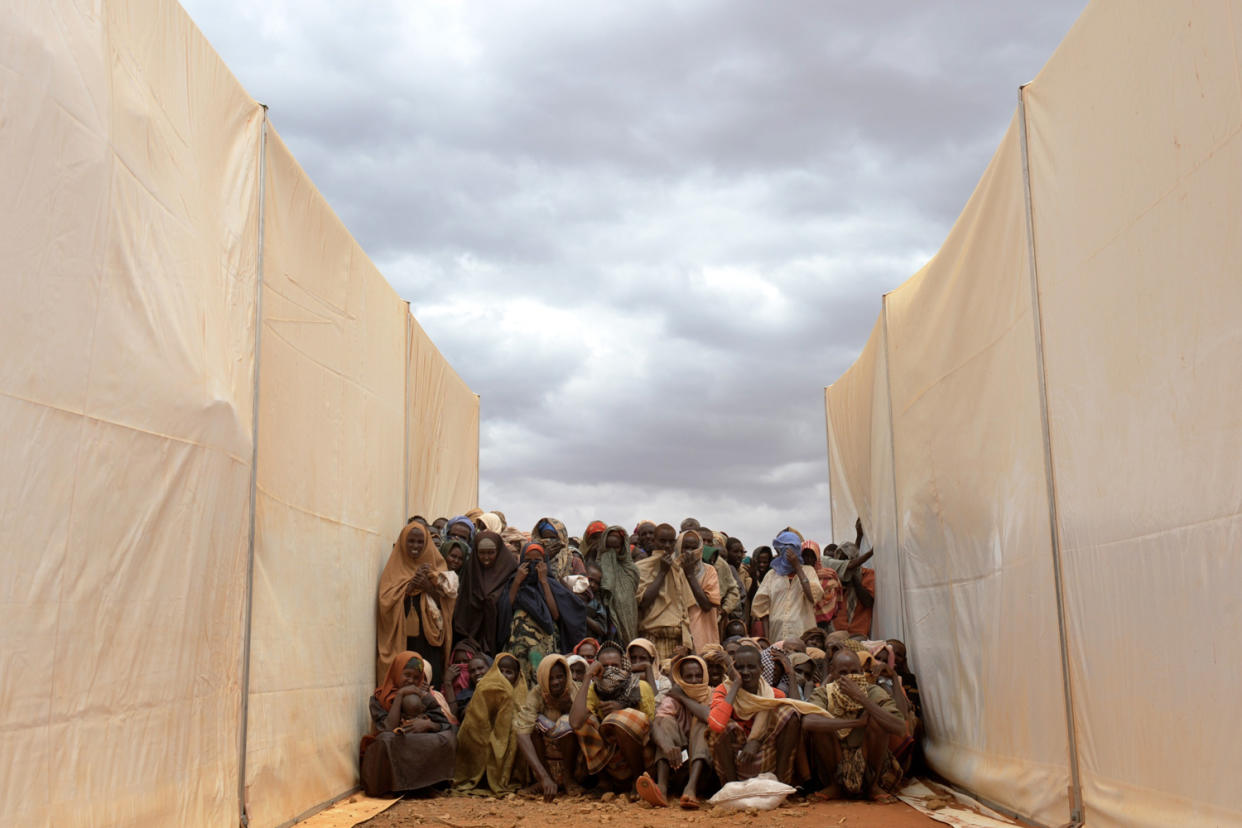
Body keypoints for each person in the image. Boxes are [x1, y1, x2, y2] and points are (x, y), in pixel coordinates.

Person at [804, 649, 908, 802]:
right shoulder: (823, 693)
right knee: (821, 723)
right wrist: (856, 723)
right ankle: (835, 786)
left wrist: (860, 698)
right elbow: (808, 722)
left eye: (854, 672)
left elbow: (899, 727)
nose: (849, 677)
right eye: (843, 673)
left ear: (861, 672)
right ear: (832, 673)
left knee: (878, 720)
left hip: (868, 758)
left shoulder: (873, 691)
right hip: (834, 761)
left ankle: (873, 786)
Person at [706, 644, 806, 785]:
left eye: (751, 667)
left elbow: (798, 712)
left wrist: (756, 740)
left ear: (762, 669)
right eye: (740, 668)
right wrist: (736, 684)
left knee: (789, 713)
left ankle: (780, 783)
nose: (745, 672)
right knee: (721, 726)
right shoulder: (723, 690)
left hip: (765, 758)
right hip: (734, 762)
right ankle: (732, 787)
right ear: (733, 670)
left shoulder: (772, 694)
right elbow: (716, 725)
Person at [360, 652, 457, 796]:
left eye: (416, 677)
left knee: (449, 737)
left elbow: (445, 725)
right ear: (396, 672)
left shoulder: (425, 697)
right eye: (407, 675)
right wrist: (400, 696)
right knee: (384, 740)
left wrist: (427, 725)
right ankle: (397, 787)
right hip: (398, 739)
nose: (411, 680)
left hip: (420, 738)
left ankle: (425, 785)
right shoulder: (379, 698)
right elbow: (386, 728)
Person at [376, 522, 455, 687]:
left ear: (427, 544)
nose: (415, 546)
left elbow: (448, 604)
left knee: (429, 679)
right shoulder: (393, 568)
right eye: (411, 541)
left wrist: (427, 586)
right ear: (403, 543)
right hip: (403, 637)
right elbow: (385, 603)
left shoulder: (437, 567)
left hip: (429, 639)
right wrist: (410, 586)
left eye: (420, 542)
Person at [497, 542, 588, 683]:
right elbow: (506, 607)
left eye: (537, 561)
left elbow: (555, 614)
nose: (533, 565)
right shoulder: (513, 582)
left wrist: (543, 581)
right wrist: (517, 581)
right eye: (528, 561)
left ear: (545, 562)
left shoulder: (551, 584)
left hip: (543, 645)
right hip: (517, 644)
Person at [570, 651, 656, 794]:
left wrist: (623, 708)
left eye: (615, 665)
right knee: (586, 722)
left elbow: (650, 728)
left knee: (618, 719)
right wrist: (588, 677)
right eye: (605, 666)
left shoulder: (640, 687)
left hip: (640, 755)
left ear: (624, 666)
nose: (610, 670)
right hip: (610, 758)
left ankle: (638, 779)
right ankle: (604, 782)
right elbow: (575, 722)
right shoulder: (594, 689)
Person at [640, 655, 713, 809]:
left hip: (704, 768)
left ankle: (691, 788)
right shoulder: (671, 699)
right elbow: (656, 726)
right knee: (665, 722)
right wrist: (667, 746)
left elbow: (709, 717)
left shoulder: (712, 694)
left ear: (705, 675)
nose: (694, 680)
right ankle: (662, 787)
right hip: (677, 763)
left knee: (701, 723)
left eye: (698, 676)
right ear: (681, 678)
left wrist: (682, 696)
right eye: (689, 676)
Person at [453, 653, 527, 794]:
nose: (503, 676)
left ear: (517, 676)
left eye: (509, 672)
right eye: (500, 671)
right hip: (483, 742)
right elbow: (474, 720)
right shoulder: (484, 690)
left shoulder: (522, 694)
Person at [515, 654, 582, 801]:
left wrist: (566, 708)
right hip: (546, 751)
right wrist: (543, 777)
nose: (556, 682)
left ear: (567, 676)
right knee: (533, 726)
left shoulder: (575, 690)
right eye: (550, 678)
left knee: (567, 723)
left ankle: (569, 778)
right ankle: (544, 780)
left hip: (575, 754)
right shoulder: (537, 694)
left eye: (560, 677)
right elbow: (522, 733)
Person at [635, 524, 696, 661]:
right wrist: (662, 572)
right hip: (653, 637)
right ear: (654, 541)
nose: (667, 546)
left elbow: (684, 608)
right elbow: (643, 603)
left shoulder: (677, 569)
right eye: (662, 541)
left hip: (677, 640)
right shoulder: (642, 567)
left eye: (670, 542)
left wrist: (686, 640)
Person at [453, 531, 517, 656]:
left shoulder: (510, 570)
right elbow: (463, 605)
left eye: (490, 552)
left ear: (498, 551)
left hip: (502, 637)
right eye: (481, 553)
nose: (486, 557)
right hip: (472, 639)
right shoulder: (471, 571)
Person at [751, 532, 823, 643]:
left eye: (792, 548)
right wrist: (767, 639)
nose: (787, 552)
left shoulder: (808, 571)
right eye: (783, 548)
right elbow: (763, 609)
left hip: (803, 634)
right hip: (777, 635)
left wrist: (797, 567)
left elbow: (812, 597)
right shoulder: (772, 575)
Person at [595, 525, 640, 644]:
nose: (612, 551)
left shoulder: (631, 569)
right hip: (606, 619)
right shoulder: (597, 567)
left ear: (623, 547)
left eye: (616, 547)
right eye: (608, 547)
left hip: (628, 617)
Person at [678, 530, 722, 650]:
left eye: (694, 548)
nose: (689, 552)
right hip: (678, 632)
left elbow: (707, 605)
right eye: (685, 547)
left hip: (701, 631)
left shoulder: (709, 571)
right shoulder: (672, 570)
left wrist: (690, 574)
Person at [830, 542, 876, 639]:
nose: (844, 566)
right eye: (840, 562)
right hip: (836, 632)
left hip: (858, 633)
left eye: (846, 561)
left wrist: (854, 577)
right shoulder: (833, 577)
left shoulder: (867, 574)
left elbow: (868, 602)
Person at [802, 541, 841, 632]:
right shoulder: (797, 576)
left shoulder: (829, 576)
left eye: (811, 556)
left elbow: (831, 601)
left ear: (817, 557)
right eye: (805, 556)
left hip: (824, 625)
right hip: (802, 625)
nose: (808, 559)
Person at [531, 517, 587, 581]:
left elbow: (583, 586)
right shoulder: (533, 558)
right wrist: (545, 558)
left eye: (553, 538)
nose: (548, 541)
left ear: (562, 538)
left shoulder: (574, 561)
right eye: (545, 538)